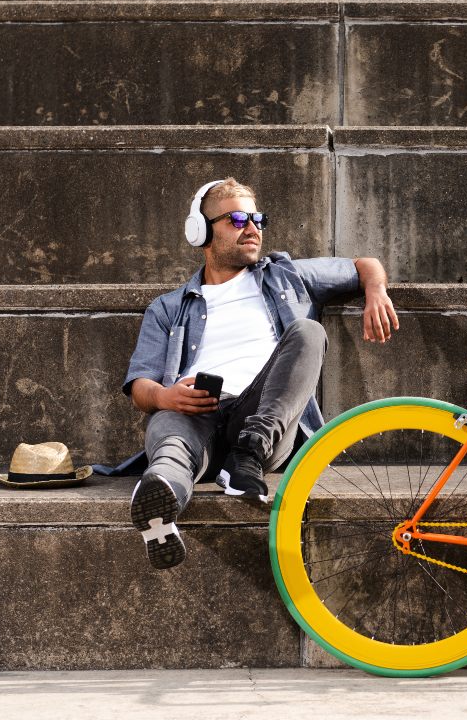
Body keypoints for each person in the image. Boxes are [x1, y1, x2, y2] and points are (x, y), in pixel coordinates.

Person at [122, 177, 398, 570]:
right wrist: (166, 396)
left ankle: (245, 458)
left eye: (258, 219)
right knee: (169, 435)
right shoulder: (167, 308)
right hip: (194, 413)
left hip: (263, 419)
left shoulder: (286, 275)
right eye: (237, 219)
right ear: (201, 232)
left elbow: (363, 265)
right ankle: (159, 508)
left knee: (308, 332)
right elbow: (140, 386)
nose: (252, 228)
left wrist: (376, 291)